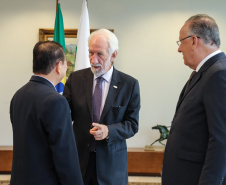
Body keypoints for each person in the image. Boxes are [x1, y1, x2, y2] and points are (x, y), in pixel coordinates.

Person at [63, 29, 140, 185]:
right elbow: (64, 116)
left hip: (112, 168)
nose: (93, 60)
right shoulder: (75, 79)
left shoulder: (129, 84)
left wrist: (108, 131)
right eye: (91, 53)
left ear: (113, 55)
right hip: (80, 164)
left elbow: (132, 125)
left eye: (100, 54)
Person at [162, 14, 226, 185]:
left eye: (180, 42)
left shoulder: (219, 73)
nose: (179, 49)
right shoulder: (204, 73)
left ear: (194, 40)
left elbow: (221, 140)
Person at [10, 41, 84, 185]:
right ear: (58, 66)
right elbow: (65, 157)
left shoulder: (18, 95)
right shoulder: (56, 101)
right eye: (65, 63)